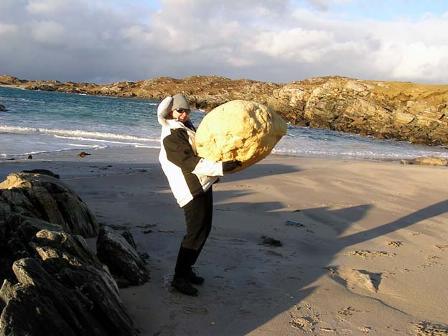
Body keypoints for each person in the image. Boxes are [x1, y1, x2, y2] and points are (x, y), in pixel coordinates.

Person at [157, 94, 241, 296]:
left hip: (202, 183)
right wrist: (221, 168)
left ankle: (187, 271)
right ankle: (179, 277)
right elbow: (189, 162)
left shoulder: (185, 127)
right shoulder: (171, 134)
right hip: (190, 189)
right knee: (195, 233)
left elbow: (203, 151)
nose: (184, 114)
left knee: (204, 230)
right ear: (170, 112)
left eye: (187, 111)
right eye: (180, 111)